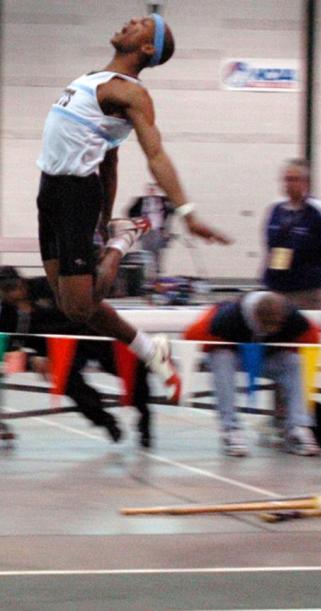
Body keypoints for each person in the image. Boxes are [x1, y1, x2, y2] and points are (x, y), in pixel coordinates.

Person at [35, 15, 231, 404]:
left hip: (76, 193)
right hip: (50, 190)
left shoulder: (132, 94)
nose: (129, 21)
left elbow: (156, 155)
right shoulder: (91, 80)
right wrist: (106, 219)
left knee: (79, 303)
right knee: (70, 305)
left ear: (147, 49)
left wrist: (186, 211)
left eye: (142, 24)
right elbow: (110, 162)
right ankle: (149, 349)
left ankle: (125, 242)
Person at [0, 266, 153, 447]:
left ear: (22, 282)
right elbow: (11, 346)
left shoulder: (47, 286)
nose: (13, 293)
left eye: (14, 286)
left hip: (89, 333)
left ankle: (144, 418)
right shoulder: (8, 316)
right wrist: (32, 358)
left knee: (134, 369)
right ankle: (105, 421)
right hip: (56, 351)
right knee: (70, 384)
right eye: (6, 290)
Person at [184, 291, 321, 457]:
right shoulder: (226, 318)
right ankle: (230, 429)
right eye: (264, 327)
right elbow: (191, 335)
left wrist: (290, 348)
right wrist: (223, 345)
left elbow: (313, 339)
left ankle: (298, 428)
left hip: (268, 357)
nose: (268, 332)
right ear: (254, 317)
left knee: (295, 362)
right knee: (221, 358)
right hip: (236, 356)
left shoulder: (293, 318)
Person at [262, 159, 321, 309]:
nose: (289, 184)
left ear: (305, 182)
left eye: (294, 179)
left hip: (308, 291)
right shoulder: (276, 210)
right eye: (287, 179)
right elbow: (270, 246)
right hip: (278, 287)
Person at [127, 181, 175, 278]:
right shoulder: (141, 201)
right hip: (146, 230)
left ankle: (157, 273)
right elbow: (130, 212)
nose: (151, 191)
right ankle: (146, 274)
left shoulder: (163, 201)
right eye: (149, 190)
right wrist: (137, 223)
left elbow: (172, 211)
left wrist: (167, 229)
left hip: (158, 229)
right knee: (145, 251)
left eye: (153, 190)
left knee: (157, 252)